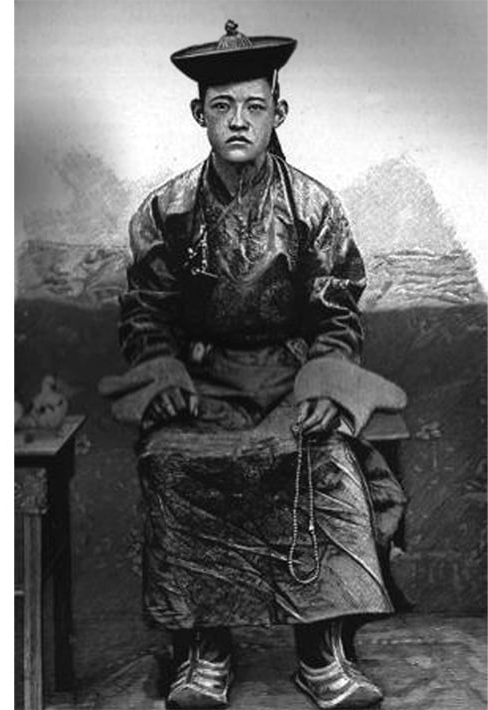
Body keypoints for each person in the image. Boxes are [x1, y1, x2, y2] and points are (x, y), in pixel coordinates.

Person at [99, 20, 408, 709]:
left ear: (278, 112)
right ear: (198, 113)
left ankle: (319, 651)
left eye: (254, 106)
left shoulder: (315, 206)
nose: (238, 121)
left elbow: (336, 312)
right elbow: (147, 311)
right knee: (174, 459)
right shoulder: (166, 209)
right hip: (204, 382)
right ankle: (207, 651)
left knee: (324, 459)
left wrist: (327, 376)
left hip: (288, 378)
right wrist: (163, 370)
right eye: (222, 106)